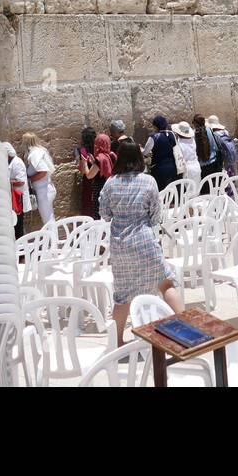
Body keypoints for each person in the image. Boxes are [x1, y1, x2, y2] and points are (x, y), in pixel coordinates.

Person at [99, 141, 183, 343]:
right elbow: (155, 216)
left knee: (122, 296)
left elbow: (104, 214)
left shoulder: (110, 183)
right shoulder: (148, 181)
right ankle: (185, 327)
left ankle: (117, 341)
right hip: (144, 241)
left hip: (121, 246)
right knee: (165, 284)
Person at [22, 132, 56, 225]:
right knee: (49, 217)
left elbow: (43, 171)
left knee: (48, 220)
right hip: (45, 189)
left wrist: (30, 179)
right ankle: (52, 238)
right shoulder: (39, 151)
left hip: (44, 191)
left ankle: (52, 239)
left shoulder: (34, 154)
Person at [80, 132, 116, 220]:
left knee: (99, 214)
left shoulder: (99, 158)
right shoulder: (111, 155)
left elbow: (89, 175)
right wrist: (93, 163)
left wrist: (85, 163)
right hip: (111, 187)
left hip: (100, 188)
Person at [143, 115, 179, 191]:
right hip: (172, 167)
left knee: (162, 192)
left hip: (159, 169)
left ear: (155, 126)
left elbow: (145, 152)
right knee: (172, 192)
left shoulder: (154, 137)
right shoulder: (172, 134)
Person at [6, 141, 30, 239]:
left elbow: (21, 182)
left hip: (19, 199)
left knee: (19, 226)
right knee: (15, 225)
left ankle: (22, 252)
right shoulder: (10, 163)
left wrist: (7, 182)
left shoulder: (17, 163)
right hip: (14, 199)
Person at [75, 127, 99, 218]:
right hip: (99, 179)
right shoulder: (98, 149)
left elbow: (82, 170)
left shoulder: (82, 151)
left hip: (88, 180)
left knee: (88, 202)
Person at [172, 121, 201, 186]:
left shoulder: (179, 143)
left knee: (188, 192)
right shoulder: (192, 140)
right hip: (196, 166)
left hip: (187, 169)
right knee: (196, 189)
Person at [193, 113, 220, 182]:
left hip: (202, 167)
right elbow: (216, 147)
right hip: (213, 164)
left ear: (195, 123)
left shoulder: (193, 134)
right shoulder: (209, 130)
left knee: (206, 191)